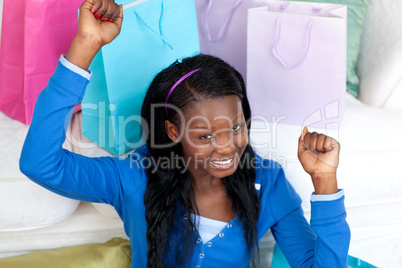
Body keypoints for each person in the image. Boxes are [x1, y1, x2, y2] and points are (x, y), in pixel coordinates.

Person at [19, 0, 350, 267]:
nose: (226, 147)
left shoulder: (269, 182)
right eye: (204, 136)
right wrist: (86, 44)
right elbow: (40, 163)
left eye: (236, 127)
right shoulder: (134, 177)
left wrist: (325, 183)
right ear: (172, 130)